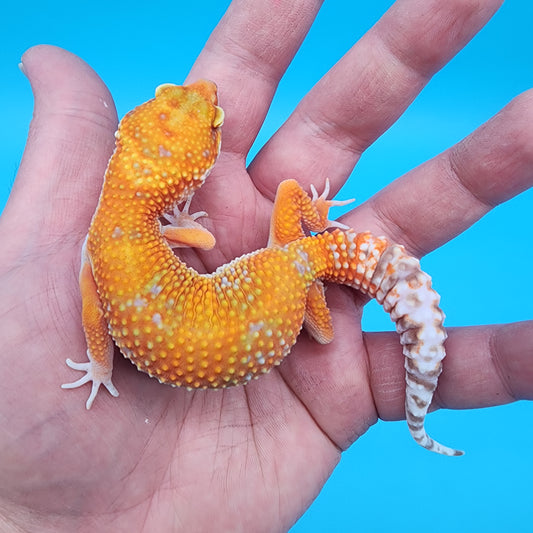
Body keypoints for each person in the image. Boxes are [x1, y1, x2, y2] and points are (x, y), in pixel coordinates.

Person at [0, 0, 531, 531]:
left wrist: (100, 367)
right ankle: (313, 228)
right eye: (215, 124)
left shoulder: (100, 248)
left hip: (277, 307)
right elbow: (201, 238)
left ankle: (319, 270)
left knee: (317, 317)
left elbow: (95, 315)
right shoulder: (150, 236)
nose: (206, 93)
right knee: (303, 264)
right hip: (278, 286)